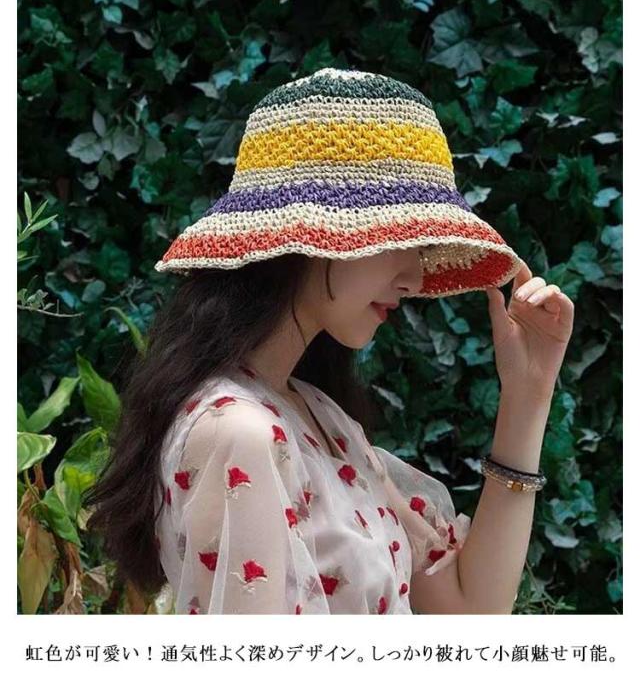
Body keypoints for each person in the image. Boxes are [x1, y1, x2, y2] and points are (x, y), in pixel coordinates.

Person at [85, 67, 573, 614]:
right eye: (400, 238)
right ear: (311, 234)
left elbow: (471, 613)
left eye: (422, 247)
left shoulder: (320, 418)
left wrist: (528, 395)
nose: (415, 278)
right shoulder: (241, 432)